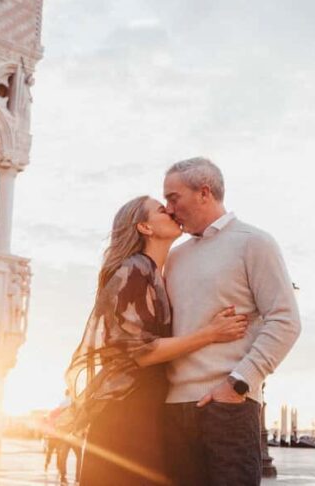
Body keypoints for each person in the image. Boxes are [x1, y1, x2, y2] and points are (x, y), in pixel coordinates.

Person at [65, 195, 249, 486]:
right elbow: (141, 352)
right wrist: (211, 333)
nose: (173, 212)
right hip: (127, 413)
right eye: (163, 210)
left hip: (146, 405)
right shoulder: (134, 270)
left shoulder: (156, 273)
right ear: (145, 228)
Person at [162, 157, 302, 486]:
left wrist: (238, 383)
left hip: (227, 408)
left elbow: (285, 320)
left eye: (173, 197)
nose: (168, 208)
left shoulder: (254, 242)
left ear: (204, 193)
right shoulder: (175, 257)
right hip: (171, 410)